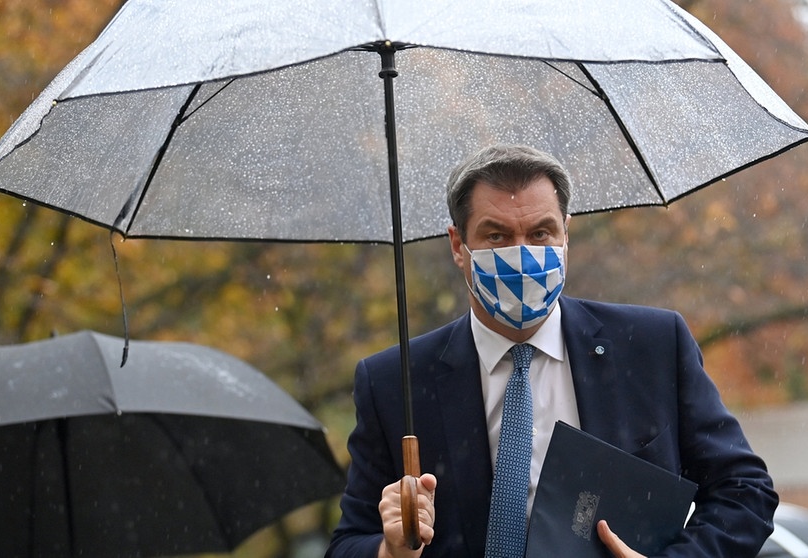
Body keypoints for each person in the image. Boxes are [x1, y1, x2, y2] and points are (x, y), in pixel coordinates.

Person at [325, 144, 777, 558]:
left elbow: (745, 491)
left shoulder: (652, 346)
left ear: (566, 237)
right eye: (497, 236)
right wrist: (390, 550)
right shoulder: (395, 382)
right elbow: (347, 544)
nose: (522, 255)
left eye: (541, 232)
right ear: (459, 246)